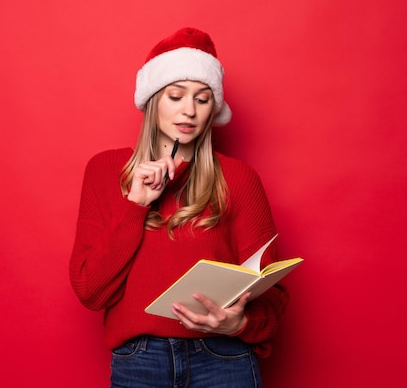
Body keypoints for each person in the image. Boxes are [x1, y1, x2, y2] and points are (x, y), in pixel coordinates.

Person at [70, 27, 289, 388]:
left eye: (203, 99)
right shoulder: (105, 171)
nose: (189, 110)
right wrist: (135, 205)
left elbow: (273, 297)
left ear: (212, 110)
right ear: (154, 99)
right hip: (140, 363)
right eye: (176, 96)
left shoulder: (238, 178)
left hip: (224, 359)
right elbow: (91, 291)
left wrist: (240, 324)